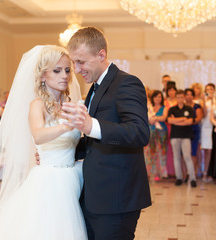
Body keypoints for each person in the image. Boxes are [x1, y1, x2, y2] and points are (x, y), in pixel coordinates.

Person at [0, 45, 86, 239]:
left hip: (72, 176)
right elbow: (38, 135)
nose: (64, 75)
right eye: (57, 70)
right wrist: (66, 126)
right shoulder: (37, 105)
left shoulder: (71, 104)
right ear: (43, 75)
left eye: (67, 70)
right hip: (49, 179)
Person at [60, 27, 151, 240]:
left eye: (81, 61)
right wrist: (62, 153)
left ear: (101, 55)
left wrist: (91, 125)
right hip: (95, 195)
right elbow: (95, 142)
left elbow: (139, 132)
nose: (76, 69)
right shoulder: (94, 88)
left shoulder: (126, 83)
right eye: (74, 62)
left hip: (117, 197)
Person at [167, 89, 197, 187]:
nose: (180, 99)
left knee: (187, 156)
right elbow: (169, 120)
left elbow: (190, 121)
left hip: (186, 136)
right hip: (175, 136)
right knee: (176, 157)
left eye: (181, 97)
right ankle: (179, 177)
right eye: (178, 97)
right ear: (176, 98)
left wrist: (176, 121)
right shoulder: (172, 109)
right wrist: (183, 119)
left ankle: (192, 178)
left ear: (184, 98)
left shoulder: (189, 109)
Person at [144, 90, 168, 181]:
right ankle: (150, 173)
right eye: (156, 97)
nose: (158, 99)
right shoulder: (149, 107)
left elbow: (164, 118)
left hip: (161, 133)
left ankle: (161, 173)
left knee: (161, 152)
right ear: (152, 98)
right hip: (150, 132)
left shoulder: (164, 107)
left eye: (159, 97)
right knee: (150, 152)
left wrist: (155, 118)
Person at [185, 88, 203, 177]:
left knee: (193, 152)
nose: (189, 96)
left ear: (193, 96)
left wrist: (189, 121)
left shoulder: (197, 106)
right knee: (184, 153)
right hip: (183, 131)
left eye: (191, 94)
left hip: (194, 131)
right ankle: (186, 172)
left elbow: (199, 118)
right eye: (187, 94)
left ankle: (193, 173)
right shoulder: (182, 106)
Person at [200, 83, 215, 182]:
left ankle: (211, 172)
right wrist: (204, 102)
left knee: (211, 150)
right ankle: (204, 172)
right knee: (206, 150)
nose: (209, 91)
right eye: (207, 89)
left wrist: (213, 100)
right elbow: (204, 114)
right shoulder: (203, 101)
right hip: (205, 126)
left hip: (213, 126)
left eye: (211, 89)